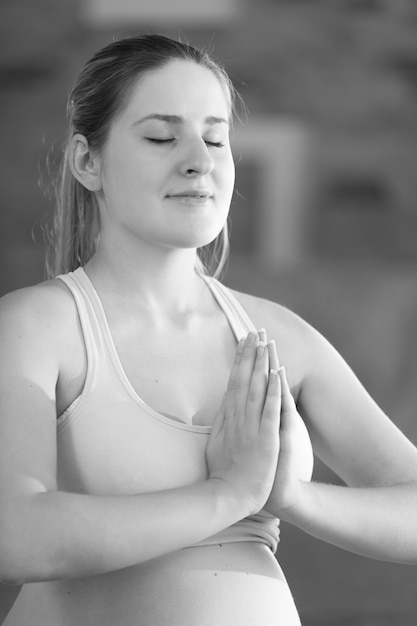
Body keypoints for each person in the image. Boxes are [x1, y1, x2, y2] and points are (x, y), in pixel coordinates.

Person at [0, 34, 416, 626]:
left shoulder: (276, 337)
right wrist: (227, 493)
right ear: (87, 162)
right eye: (160, 137)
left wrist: (291, 499)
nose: (199, 158)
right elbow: (16, 536)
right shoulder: (33, 328)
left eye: (215, 136)